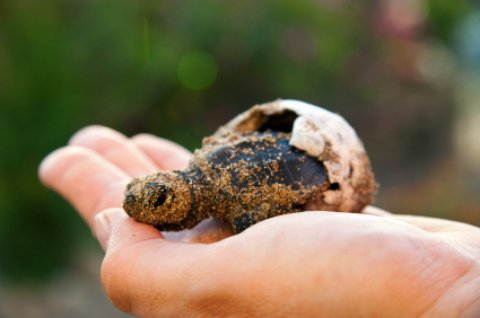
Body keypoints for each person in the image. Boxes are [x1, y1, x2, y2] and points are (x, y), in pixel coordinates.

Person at [38, 125, 480, 317]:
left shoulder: (237, 204)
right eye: (145, 195)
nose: (143, 210)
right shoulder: (207, 166)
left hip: (319, 168)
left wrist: (448, 296)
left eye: (158, 199)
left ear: (183, 199)